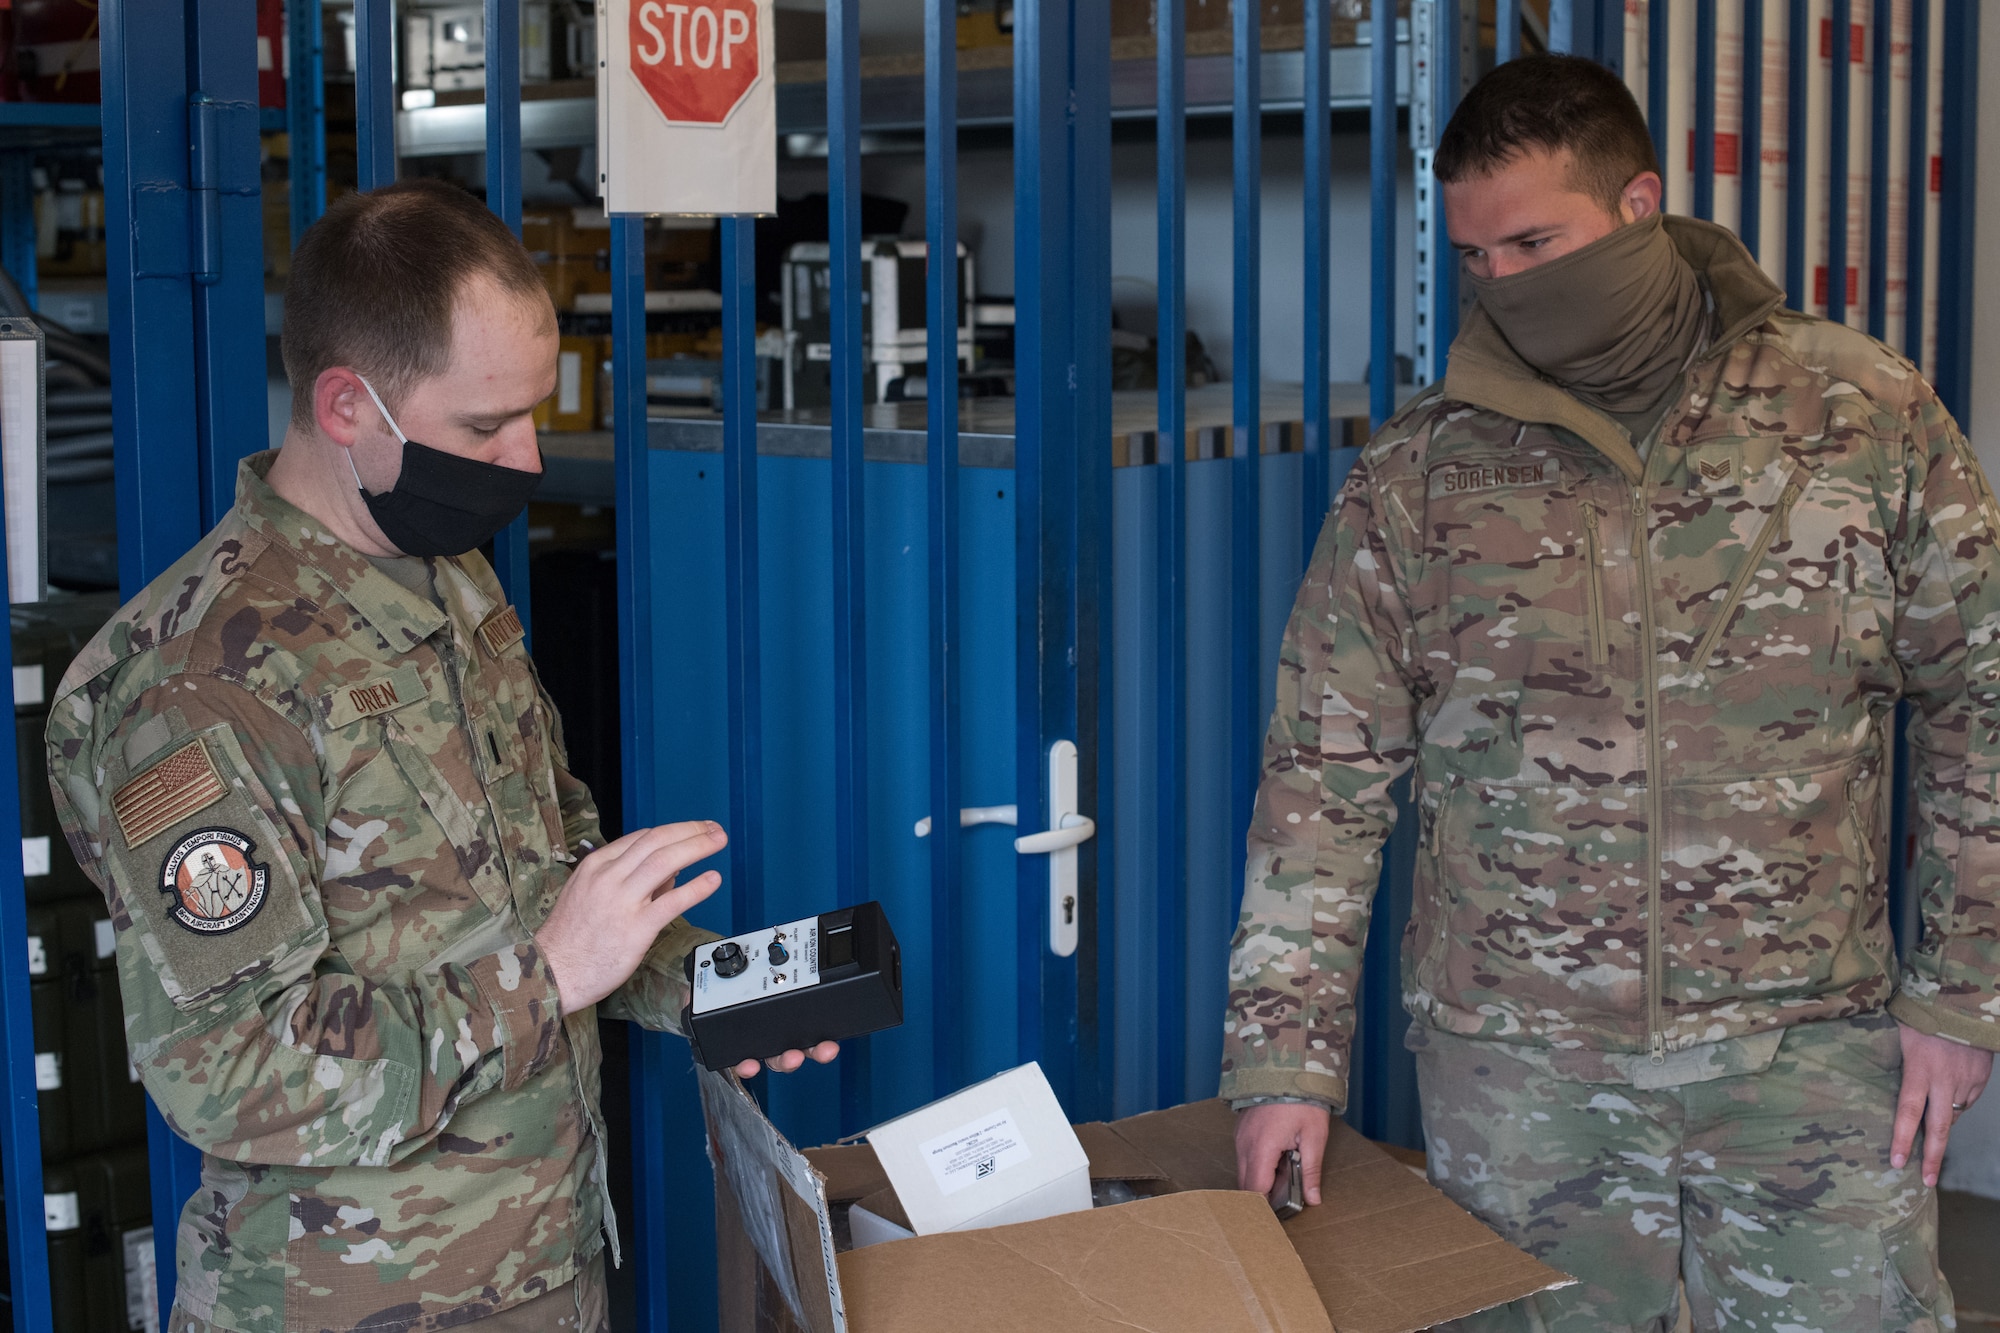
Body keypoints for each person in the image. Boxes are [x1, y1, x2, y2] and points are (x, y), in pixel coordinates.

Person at [1224, 54, 1995, 1331]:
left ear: (1638, 206)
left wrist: (1960, 990)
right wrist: (1281, 1058)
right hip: (1520, 1069)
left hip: (1806, 1049)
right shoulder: (1422, 471)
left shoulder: (1856, 412)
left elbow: (1976, 694)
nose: (1506, 285)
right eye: (1477, 257)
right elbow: (1320, 774)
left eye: (1535, 241)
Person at [44, 179, 833, 1333]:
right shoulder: (198, 685)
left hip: (544, 1267)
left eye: (533, 412)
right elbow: (229, 1069)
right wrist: (552, 978)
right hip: (350, 1304)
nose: (523, 458)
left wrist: (709, 987)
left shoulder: (443, 574)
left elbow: (535, 880)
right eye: (481, 426)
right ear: (347, 404)